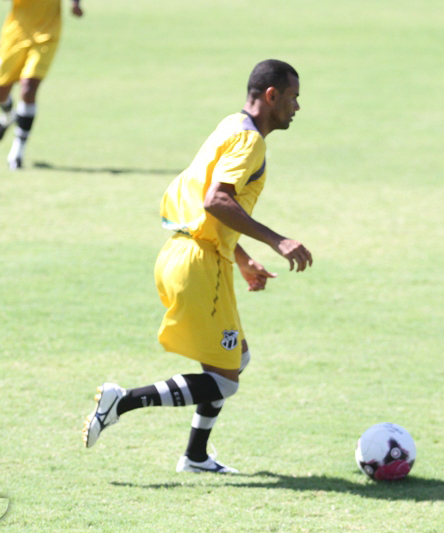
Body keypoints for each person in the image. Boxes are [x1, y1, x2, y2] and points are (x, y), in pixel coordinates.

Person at [83, 59, 313, 474]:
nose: (297, 107)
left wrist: (241, 258)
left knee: (236, 359)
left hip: (189, 252)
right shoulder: (250, 142)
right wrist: (277, 240)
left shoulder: (230, 126)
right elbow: (215, 201)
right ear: (271, 96)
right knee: (224, 379)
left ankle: (196, 456)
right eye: (293, 97)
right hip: (198, 264)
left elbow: (203, 202)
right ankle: (123, 401)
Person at [0, 0, 83, 170]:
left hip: (47, 35)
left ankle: (17, 152)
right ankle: (8, 116)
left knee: (29, 87)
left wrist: (75, 3)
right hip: (16, 34)